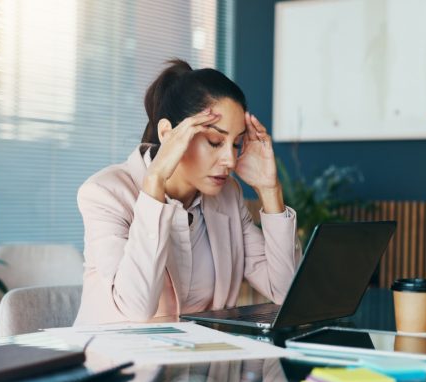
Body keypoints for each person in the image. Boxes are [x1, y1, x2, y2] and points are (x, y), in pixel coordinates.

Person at [74, 59, 301, 325]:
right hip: (119, 361)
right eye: (215, 142)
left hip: (201, 361)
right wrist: (155, 182)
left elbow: (286, 293)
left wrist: (269, 189)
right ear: (168, 134)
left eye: (236, 144)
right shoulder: (105, 193)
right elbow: (136, 307)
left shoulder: (228, 195)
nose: (230, 159)